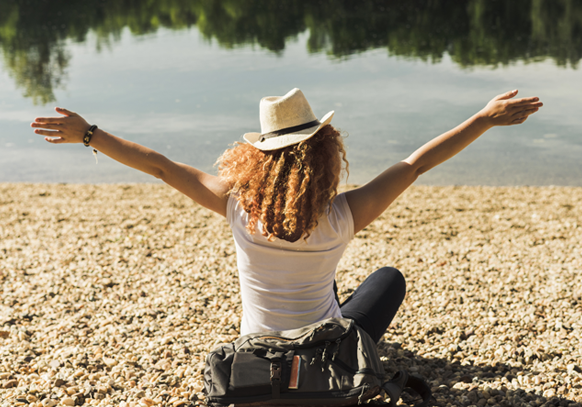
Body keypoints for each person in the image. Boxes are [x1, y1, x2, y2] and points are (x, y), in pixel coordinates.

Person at [31, 88, 542, 343]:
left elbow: (161, 167)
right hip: (325, 355)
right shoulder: (344, 215)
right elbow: (416, 164)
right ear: (324, 152)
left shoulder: (235, 207)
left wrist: (90, 134)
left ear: (258, 156)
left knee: (328, 287)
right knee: (386, 279)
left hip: (256, 354)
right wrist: (482, 118)